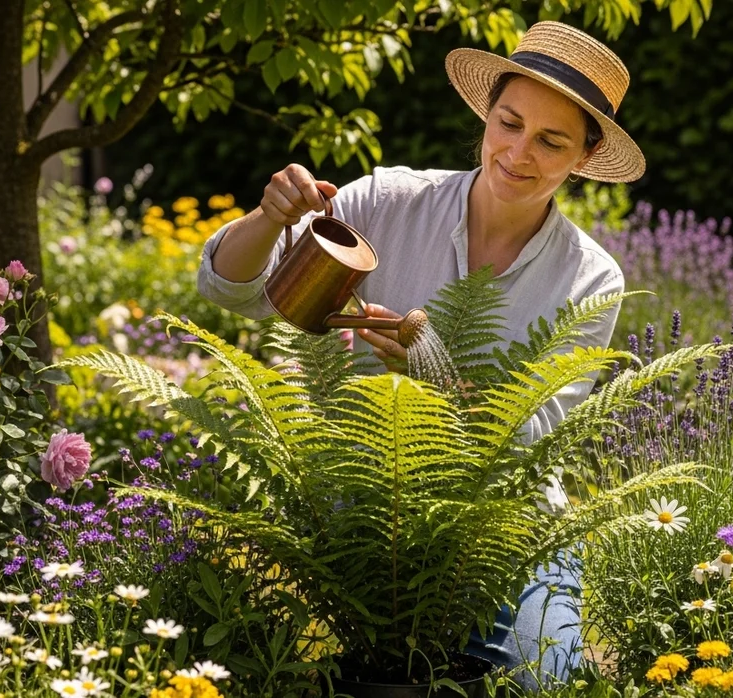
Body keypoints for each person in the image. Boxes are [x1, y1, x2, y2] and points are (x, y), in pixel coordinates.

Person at [196, 21, 646, 689]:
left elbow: (530, 438)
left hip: (505, 522)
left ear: (585, 155)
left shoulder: (590, 278)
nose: (518, 152)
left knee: (538, 680)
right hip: (369, 499)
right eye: (509, 123)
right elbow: (233, 291)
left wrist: (431, 372)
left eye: (551, 141)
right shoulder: (387, 202)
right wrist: (269, 218)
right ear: (486, 114)